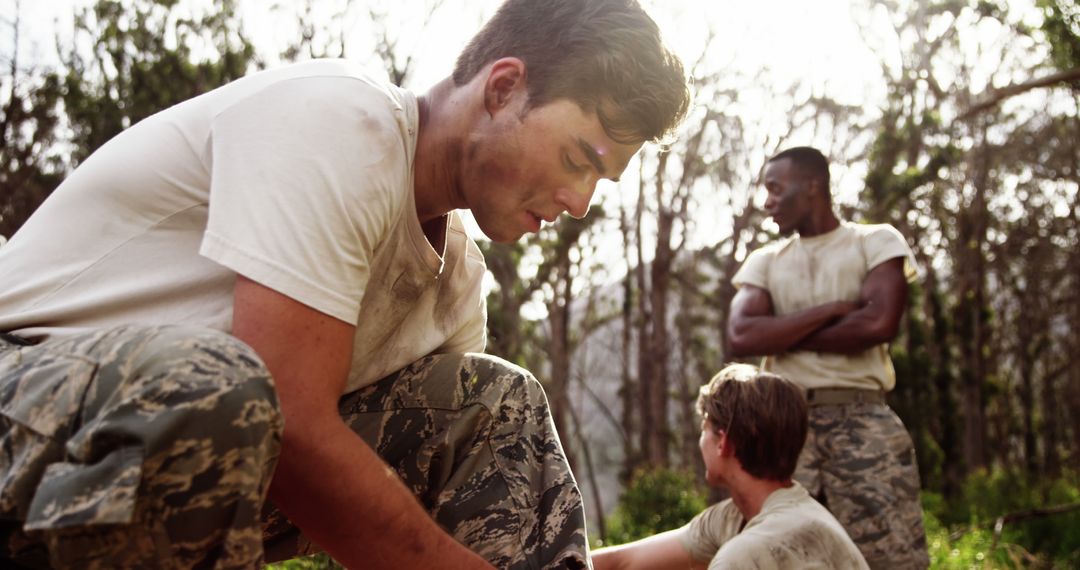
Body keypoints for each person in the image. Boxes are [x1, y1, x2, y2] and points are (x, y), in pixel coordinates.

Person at [0, 0, 690, 567]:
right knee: (227, 386)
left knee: (498, 403)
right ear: (503, 87)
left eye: (600, 181)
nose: (579, 202)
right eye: (578, 158)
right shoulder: (336, 117)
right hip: (28, 401)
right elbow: (290, 421)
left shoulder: (458, 283)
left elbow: (394, 509)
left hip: (192, 457)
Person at [724, 146, 929, 569]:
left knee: (890, 557)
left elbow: (877, 325)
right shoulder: (764, 262)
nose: (768, 202)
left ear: (813, 185)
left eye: (776, 189)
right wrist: (832, 310)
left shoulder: (876, 241)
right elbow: (743, 335)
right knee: (777, 555)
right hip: (784, 428)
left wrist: (780, 332)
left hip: (863, 423)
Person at [591, 364, 868, 570]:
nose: (701, 442)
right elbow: (622, 562)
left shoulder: (743, 556)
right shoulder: (738, 517)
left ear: (723, 442)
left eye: (704, 430)